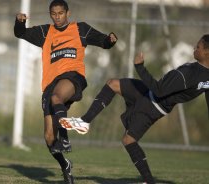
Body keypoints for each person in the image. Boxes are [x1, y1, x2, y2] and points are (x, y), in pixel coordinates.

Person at [59, 34, 209, 183]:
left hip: (153, 105)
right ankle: (85, 121)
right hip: (147, 93)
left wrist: (140, 67)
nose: (195, 48)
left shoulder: (190, 74)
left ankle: (149, 181)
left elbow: (159, 90)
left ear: (207, 52)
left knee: (129, 140)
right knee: (112, 84)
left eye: (199, 47)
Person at [14, 0, 117, 183]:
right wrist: (20, 22)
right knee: (48, 138)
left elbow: (103, 41)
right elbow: (20, 33)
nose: (57, 17)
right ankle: (65, 165)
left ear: (68, 13)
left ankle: (65, 137)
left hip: (73, 77)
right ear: (50, 14)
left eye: (61, 13)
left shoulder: (80, 29)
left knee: (57, 96)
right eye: (54, 14)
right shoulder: (45, 32)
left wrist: (110, 39)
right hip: (49, 85)